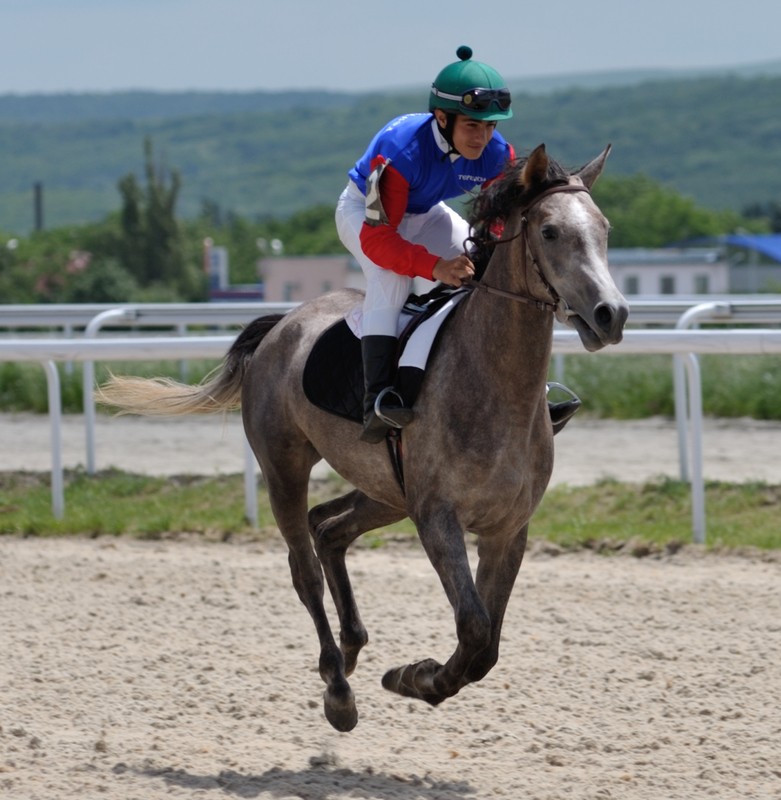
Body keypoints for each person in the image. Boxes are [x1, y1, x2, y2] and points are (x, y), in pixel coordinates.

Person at [336, 45, 580, 443]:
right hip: (364, 216)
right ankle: (378, 397)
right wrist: (435, 268)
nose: (482, 138)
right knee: (393, 280)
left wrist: (492, 255)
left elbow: (499, 222)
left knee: (486, 271)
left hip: (428, 211)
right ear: (442, 118)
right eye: (472, 126)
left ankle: (530, 391)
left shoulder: (499, 154)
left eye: (490, 127)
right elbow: (379, 240)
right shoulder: (400, 152)